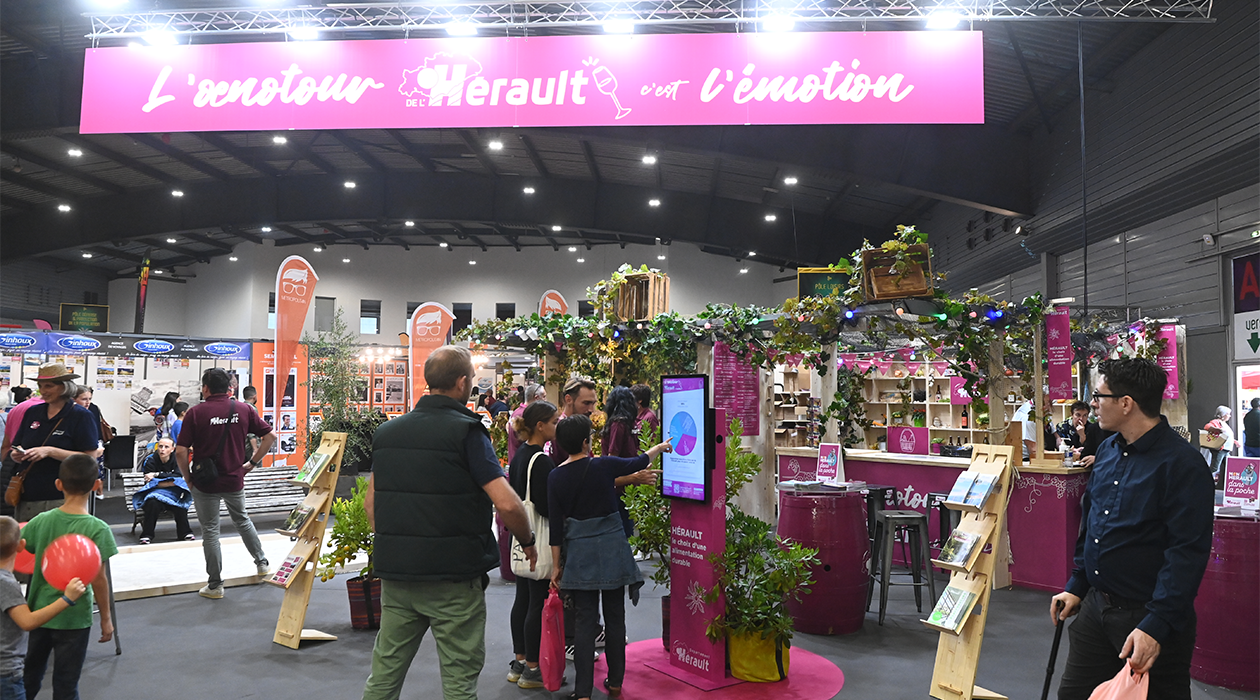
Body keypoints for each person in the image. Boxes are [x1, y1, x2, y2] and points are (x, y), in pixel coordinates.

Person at [360, 345, 537, 700]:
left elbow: (371, 505)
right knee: (459, 680)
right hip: (454, 577)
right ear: (461, 382)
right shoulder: (467, 432)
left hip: (398, 576)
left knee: (383, 676)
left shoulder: (388, 432)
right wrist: (528, 540)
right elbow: (507, 503)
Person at [1050, 358, 1214, 700]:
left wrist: (1156, 625)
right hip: (1096, 609)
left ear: (1126, 403)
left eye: (1100, 395)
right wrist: (1077, 585)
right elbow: (1093, 521)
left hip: (1149, 618)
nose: (1094, 403)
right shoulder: (1108, 450)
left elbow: (1186, 552)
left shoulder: (1182, 464)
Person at [547, 415, 671, 700]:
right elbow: (639, 462)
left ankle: (582, 693)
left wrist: (556, 566)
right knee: (616, 619)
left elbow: (556, 527)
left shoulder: (555, 477)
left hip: (579, 554)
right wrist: (660, 447)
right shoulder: (602, 465)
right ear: (585, 441)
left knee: (584, 622)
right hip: (613, 548)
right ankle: (615, 684)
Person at [20, 454, 118, 700]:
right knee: (66, 683)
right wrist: (106, 619)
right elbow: (99, 579)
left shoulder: (41, 521)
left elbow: (20, 548)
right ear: (97, 484)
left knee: (29, 678)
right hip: (74, 618)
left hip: (39, 613)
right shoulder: (98, 529)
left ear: (58, 484)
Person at [175, 368, 276, 600]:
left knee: (210, 531)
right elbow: (270, 437)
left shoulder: (195, 413)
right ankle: (262, 563)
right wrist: (251, 463)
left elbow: (181, 450)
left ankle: (215, 585)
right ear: (229, 388)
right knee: (242, 520)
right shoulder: (243, 409)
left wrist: (187, 477)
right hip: (234, 478)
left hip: (204, 481)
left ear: (206, 388)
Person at [2, 515, 88, 700]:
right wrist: (67, 598)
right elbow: (27, 621)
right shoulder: (5, 583)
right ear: (21, 545)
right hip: (5, 672)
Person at [506, 400, 560, 690]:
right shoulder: (541, 460)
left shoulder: (519, 456)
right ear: (540, 425)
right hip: (538, 539)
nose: (556, 426)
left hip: (521, 535)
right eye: (553, 421)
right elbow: (544, 503)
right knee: (537, 602)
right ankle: (532, 668)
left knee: (523, 598)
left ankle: (519, 660)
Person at [10, 364, 101, 523]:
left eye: (49, 386)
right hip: (28, 493)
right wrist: (17, 454)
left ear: (64, 387)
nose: (43, 391)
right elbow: (16, 445)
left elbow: (89, 458)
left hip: (63, 496)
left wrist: (50, 451)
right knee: (28, 544)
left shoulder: (81, 416)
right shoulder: (33, 412)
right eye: (40, 386)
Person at [601, 387, 659, 536]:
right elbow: (612, 459)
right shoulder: (619, 424)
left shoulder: (627, 423)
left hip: (626, 487)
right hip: (620, 489)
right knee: (623, 532)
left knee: (627, 529)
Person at [134, 438, 193, 544]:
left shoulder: (177, 459)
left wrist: (157, 475)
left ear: (172, 449)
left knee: (180, 505)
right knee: (152, 504)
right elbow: (150, 483)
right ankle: (147, 535)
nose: (162, 449)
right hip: (154, 494)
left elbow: (178, 478)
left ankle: (185, 533)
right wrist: (169, 482)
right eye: (160, 446)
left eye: (166, 447)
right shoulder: (150, 460)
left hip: (173, 494)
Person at [549, 377, 598, 464]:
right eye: (586, 403)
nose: (591, 409)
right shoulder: (559, 431)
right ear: (568, 399)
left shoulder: (582, 427)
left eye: (593, 403)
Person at [507, 384, 547, 462]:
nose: (546, 400)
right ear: (537, 398)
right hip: (524, 462)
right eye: (544, 397)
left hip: (516, 460)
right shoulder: (527, 415)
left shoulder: (516, 412)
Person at [1199, 405, 1237, 481]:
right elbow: (1207, 426)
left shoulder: (1224, 423)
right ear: (1223, 415)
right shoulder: (1216, 422)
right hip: (1220, 449)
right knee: (1215, 467)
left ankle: (1222, 481)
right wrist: (1217, 429)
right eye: (1228, 414)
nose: (1229, 416)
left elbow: (1227, 436)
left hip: (1225, 449)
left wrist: (1235, 442)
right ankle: (1202, 479)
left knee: (1228, 465)